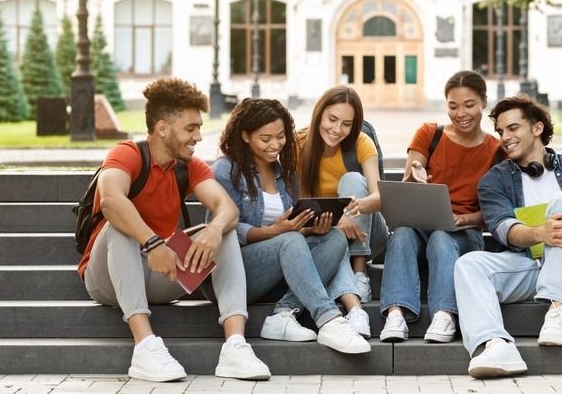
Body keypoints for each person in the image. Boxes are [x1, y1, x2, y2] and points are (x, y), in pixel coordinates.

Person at [78, 78, 271, 382]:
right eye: (190, 128)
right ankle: (145, 347)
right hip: (108, 278)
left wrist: (213, 228)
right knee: (119, 227)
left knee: (225, 231)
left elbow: (228, 209)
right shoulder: (126, 153)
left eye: (199, 127)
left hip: (162, 274)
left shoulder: (188, 165)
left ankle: (235, 346)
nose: (197, 136)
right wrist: (153, 244)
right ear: (162, 128)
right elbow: (112, 201)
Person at [454, 94, 562, 378]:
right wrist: (540, 233)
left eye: (513, 128)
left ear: (537, 128)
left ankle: (558, 311)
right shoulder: (494, 180)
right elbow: (504, 229)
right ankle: (495, 345)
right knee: (468, 264)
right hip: (530, 266)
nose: (505, 137)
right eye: (501, 131)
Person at [212, 98, 371, 354]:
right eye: (265, 139)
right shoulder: (226, 170)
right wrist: (272, 232)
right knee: (290, 240)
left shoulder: (284, 172)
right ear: (244, 135)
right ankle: (328, 318)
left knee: (334, 239)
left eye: (281, 136)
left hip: (281, 269)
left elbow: (291, 226)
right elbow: (223, 230)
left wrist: (308, 227)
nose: (275, 145)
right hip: (238, 273)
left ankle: (283, 313)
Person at [378, 71, 499, 344]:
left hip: (463, 234)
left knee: (443, 238)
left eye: (469, 105)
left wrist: (465, 219)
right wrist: (415, 176)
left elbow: (494, 213)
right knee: (403, 234)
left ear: (483, 103)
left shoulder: (496, 150)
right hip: (422, 228)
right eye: (453, 106)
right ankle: (396, 312)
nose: (460, 113)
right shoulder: (429, 133)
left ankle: (445, 314)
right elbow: (407, 184)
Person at [298, 86, 388, 304]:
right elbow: (302, 205)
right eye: (332, 119)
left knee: (353, 180)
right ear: (319, 114)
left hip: (368, 233)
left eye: (346, 124)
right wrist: (338, 221)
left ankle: (360, 273)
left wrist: (352, 209)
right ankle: (348, 291)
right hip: (324, 231)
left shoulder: (361, 142)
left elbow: (378, 197)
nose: (337, 129)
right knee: (334, 239)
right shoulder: (299, 143)